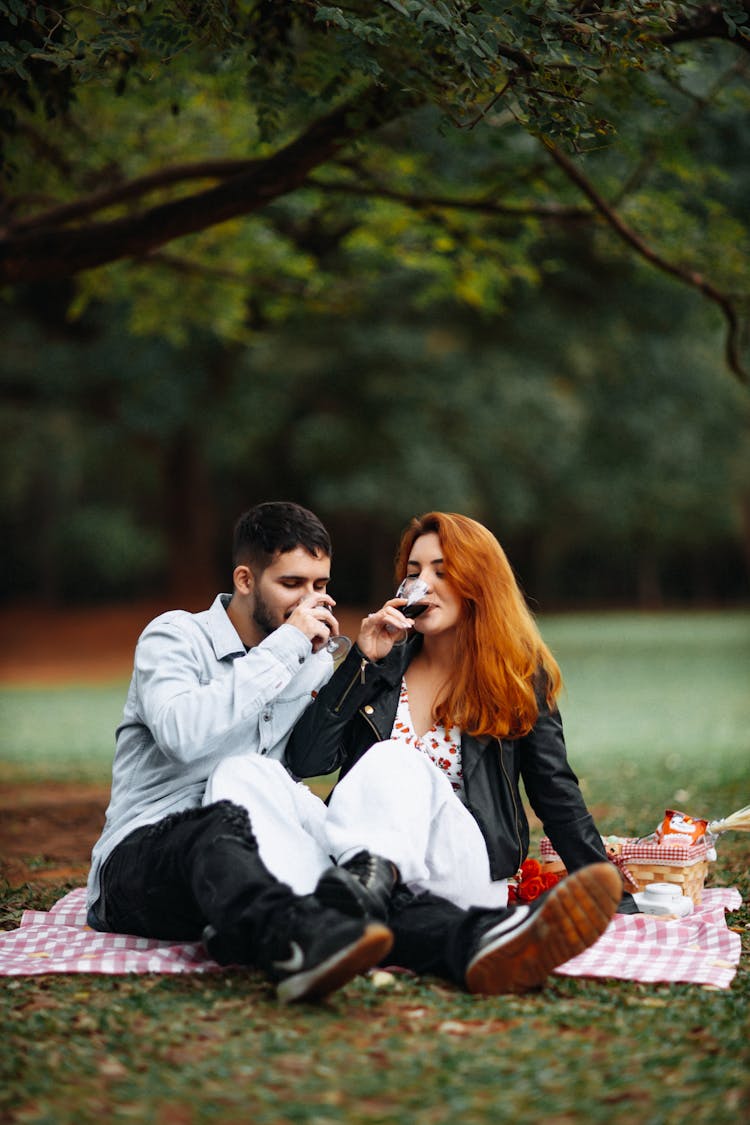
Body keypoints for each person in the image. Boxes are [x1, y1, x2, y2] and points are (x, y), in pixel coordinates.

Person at [281, 511, 636, 992]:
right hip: (375, 866)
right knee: (251, 779)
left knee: (391, 759)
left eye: (442, 572)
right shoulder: (382, 666)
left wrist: (611, 895)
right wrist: (361, 661)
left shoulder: (518, 675)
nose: (420, 584)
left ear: (479, 584)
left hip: (461, 864)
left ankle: (339, 911)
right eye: (413, 572)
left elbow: (555, 792)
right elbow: (307, 763)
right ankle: (383, 921)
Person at [86, 501, 394, 1004]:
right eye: (293, 584)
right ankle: (290, 944)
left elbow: (306, 764)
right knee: (218, 823)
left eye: (320, 585)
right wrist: (288, 646)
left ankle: (467, 937)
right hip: (146, 856)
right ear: (246, 580)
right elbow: (181, 734)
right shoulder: (174, 636)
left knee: (349, 864)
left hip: (253, 852)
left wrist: (357, 662)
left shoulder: (304, 657)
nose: (311, 601)